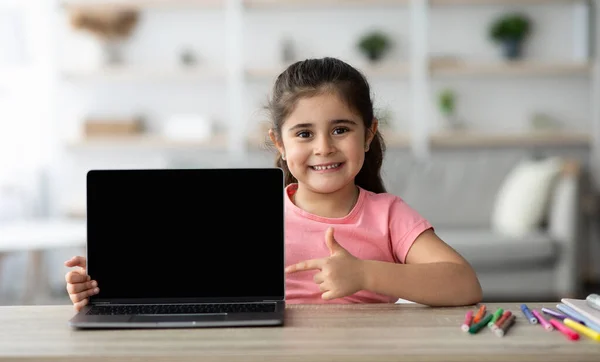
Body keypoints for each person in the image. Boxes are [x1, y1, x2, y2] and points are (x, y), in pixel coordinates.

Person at [65, 57, 482, 311]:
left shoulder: (387, 214)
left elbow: (464, 284)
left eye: (340, 129)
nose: (323, 148)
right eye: (304, 134)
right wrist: (101, 286)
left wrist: (366, 274)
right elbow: (184, 283)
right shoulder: (251, 215)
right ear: (278, 143)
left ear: (368, 134)